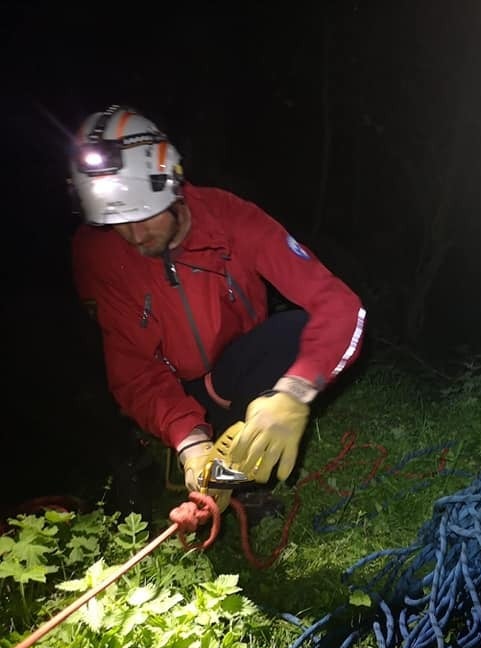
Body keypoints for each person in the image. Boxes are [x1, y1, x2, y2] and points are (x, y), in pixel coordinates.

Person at [69, 104, 366, 511]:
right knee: (84, 385)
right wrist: (190, 441)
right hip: (175, 389)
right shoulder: (99, 253)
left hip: (236, 376)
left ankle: (241, 475)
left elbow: (340, 305)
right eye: (117, 221)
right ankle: (196, 476)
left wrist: (293, 394)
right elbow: (134, 370)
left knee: (292, 332)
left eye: (145, 214)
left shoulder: (232, 219)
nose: (134, 236)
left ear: (172, 184)